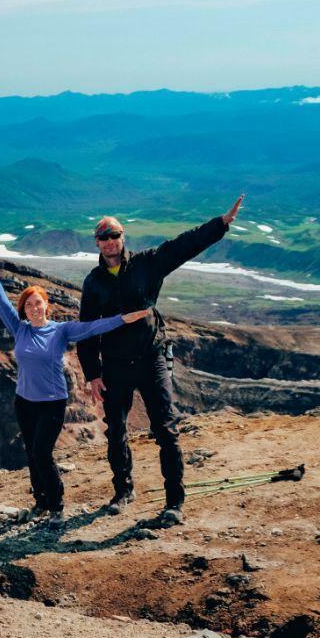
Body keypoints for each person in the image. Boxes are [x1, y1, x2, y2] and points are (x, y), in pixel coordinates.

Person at [76, 195, 245, 527]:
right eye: (103, 238)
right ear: (97, 242)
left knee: (165, 430)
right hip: (115, 365)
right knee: (116, 431)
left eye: (115, 236)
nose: (110, 242)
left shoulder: (147, 263)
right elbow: (86, 330)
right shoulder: (93, 282)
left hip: (151, 357)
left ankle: (174, 502)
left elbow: (183, 246)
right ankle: (123, 492)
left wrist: (220, 224)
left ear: (122, 238)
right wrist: (93, 374)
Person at [0, 237, 150, 527]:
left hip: (52, 403)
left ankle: (57, 504)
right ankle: (40, 501)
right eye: (29, 305)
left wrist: (124, 318)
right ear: (24, 309)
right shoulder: (18, 328)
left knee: (43, 452)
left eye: (39, 303)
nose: (34, 308)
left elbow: (94, 326)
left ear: (47, 306)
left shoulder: (60, 331)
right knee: (32, 453)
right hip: (25, 402)